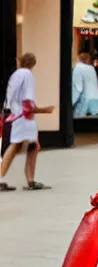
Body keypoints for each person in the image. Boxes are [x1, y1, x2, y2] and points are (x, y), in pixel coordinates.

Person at [1, 53, 55, 191]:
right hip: (23, 116)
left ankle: (29, 179)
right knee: (17, 146)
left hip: (15, 114)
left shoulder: (16, 75)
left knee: (29, 145)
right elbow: (28, 102)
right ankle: (29, 180)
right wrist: (44, 110)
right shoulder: (27, 75)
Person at [72, 52, 98, 117]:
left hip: (86, 106)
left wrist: (70, 103)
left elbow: (78, 89)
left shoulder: (78, 68)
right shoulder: (91, 68)